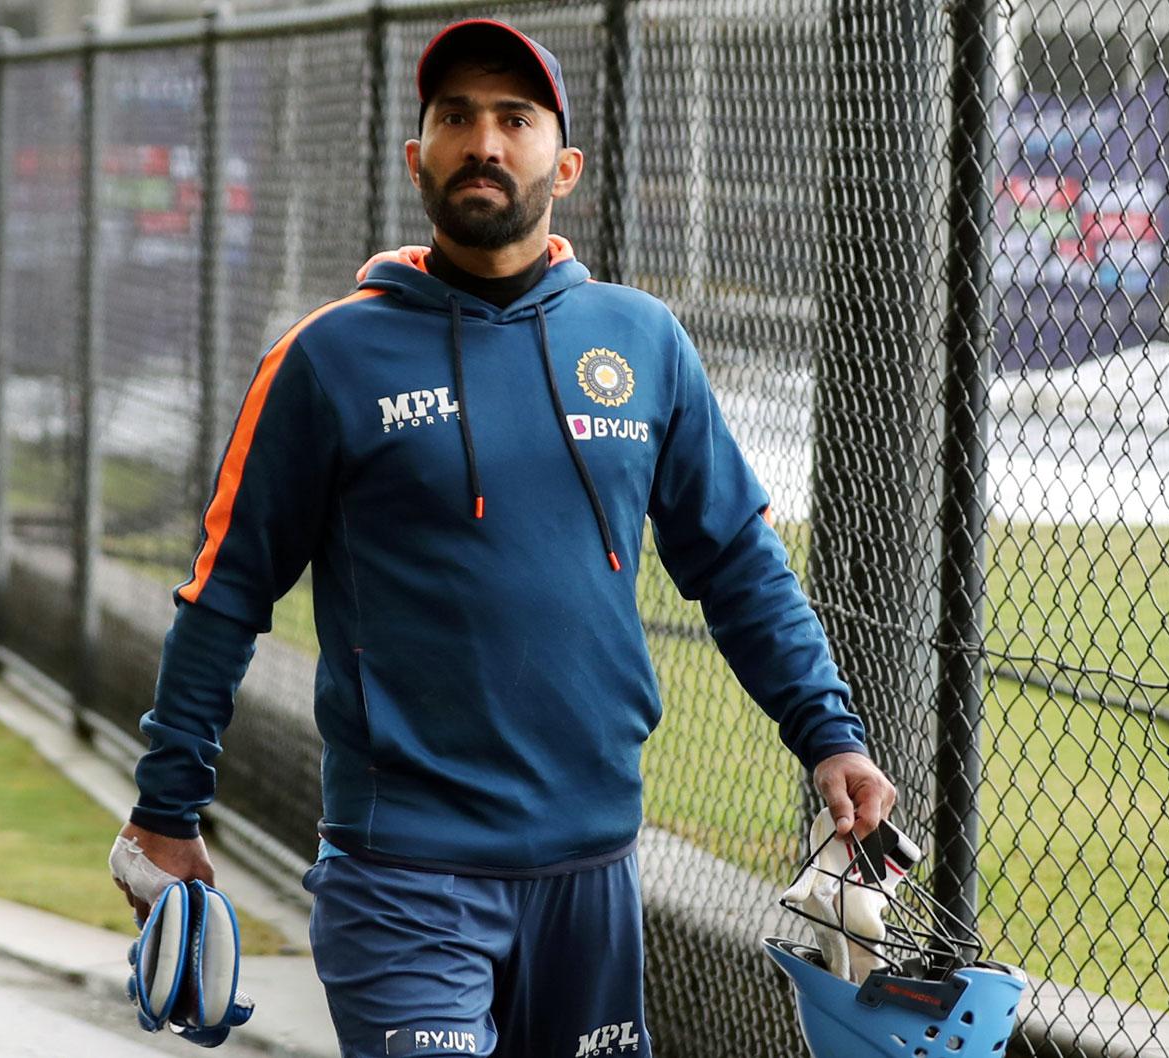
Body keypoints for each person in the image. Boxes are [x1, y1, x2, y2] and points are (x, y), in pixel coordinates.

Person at [109, 18, 896, 1058]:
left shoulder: (643, 341)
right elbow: (226, 594)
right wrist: (167, 807)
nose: (483, 142)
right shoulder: (326, 357)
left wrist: (829, 734)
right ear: (417, 157)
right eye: (456, 117)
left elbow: (740, 565)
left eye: (514, 119)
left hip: (595, 871)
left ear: (564, 166)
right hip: (403, 874)